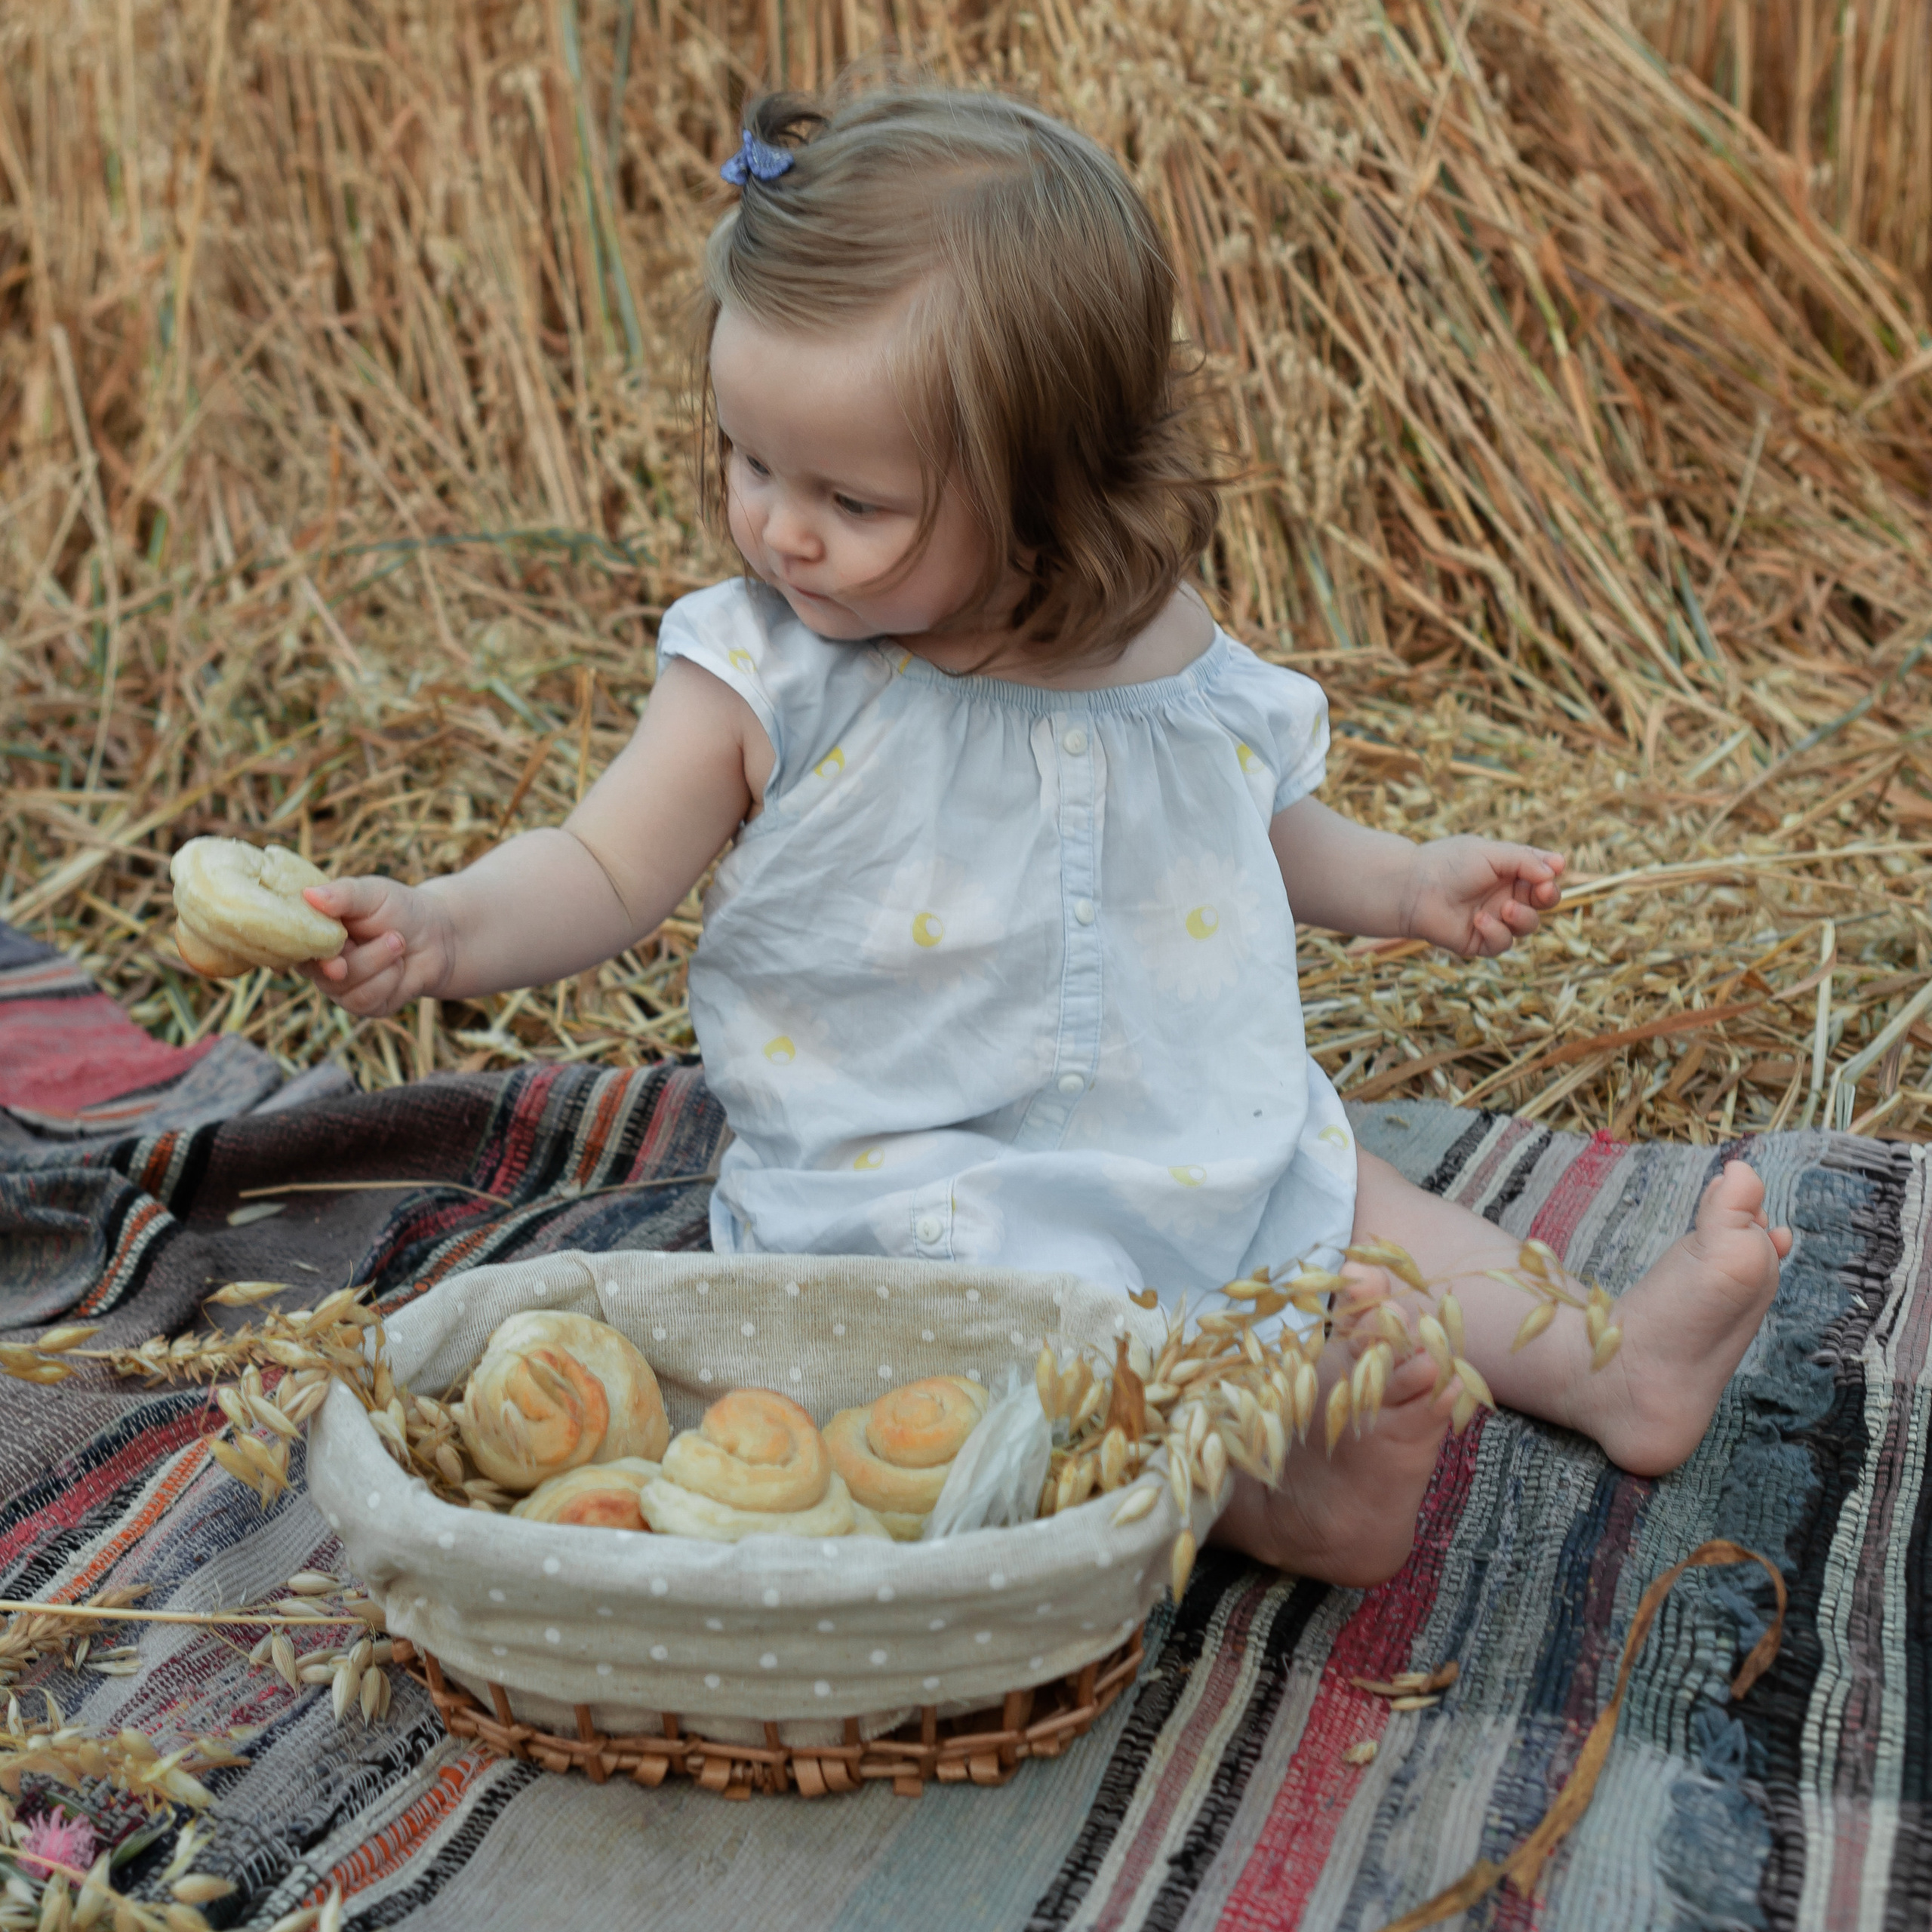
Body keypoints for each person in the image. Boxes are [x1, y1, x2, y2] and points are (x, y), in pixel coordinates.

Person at [299, 88, 1790, 1588]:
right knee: (1019, 1371)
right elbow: (604, 864)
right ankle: (1271, 1499)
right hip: (904, 1187)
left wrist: (1402, 880)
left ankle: (1612, 1365)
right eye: (749, 463)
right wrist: (444, 926)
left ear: (1050, 494)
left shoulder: (1157, 649)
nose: (779, 533)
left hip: (1170, 1123)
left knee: (1340, 1201)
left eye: (849, 496)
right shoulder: (760, 674)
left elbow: (1249, 829)